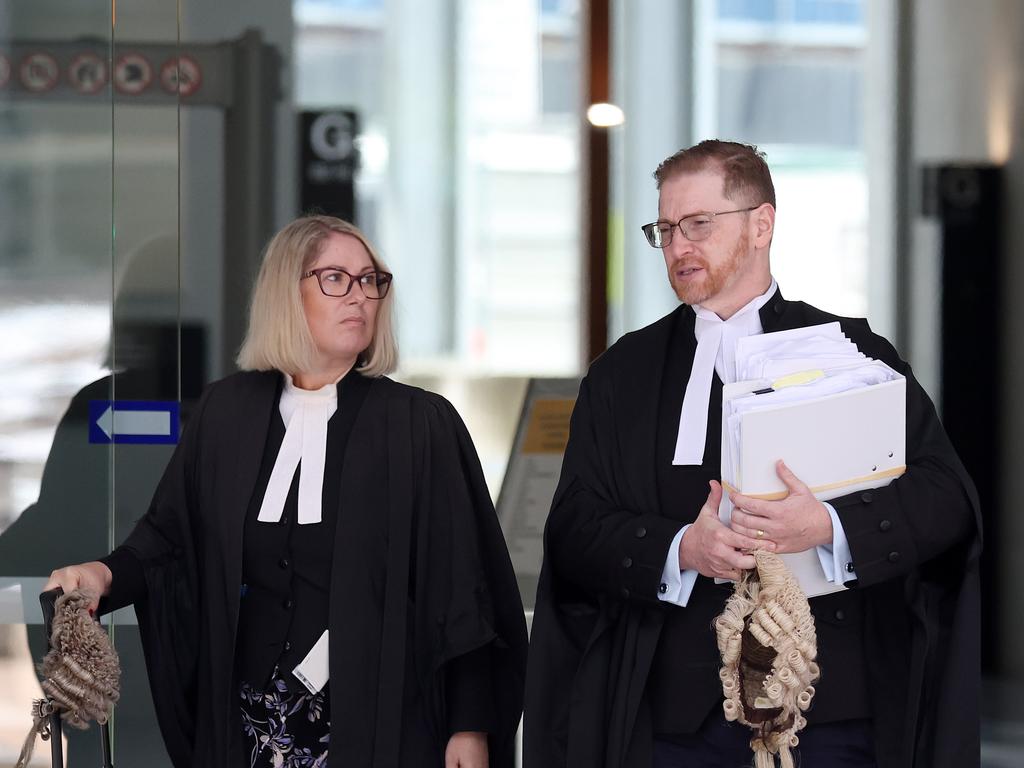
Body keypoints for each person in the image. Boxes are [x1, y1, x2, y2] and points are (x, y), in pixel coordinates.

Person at [524, 140, 980, 768]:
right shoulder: (621, 374)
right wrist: (682, 548)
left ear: (763, 223)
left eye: (698, 224)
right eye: (665, 229)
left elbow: (946, 498)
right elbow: (574, 528)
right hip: (672, 722)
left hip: (831, 715)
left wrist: (828, 526)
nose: (679, 246)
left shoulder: (851, 350)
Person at [45, 214, 529, 768]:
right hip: (249, 725)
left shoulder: (419, 426)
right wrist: (104, 575)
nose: (360, 296)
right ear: (285, 293)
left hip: (377, 726)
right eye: (336, 279)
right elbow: (168, 540)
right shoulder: (227, 413)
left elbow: (462, 589)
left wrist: (468, 728)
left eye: (370, 280)